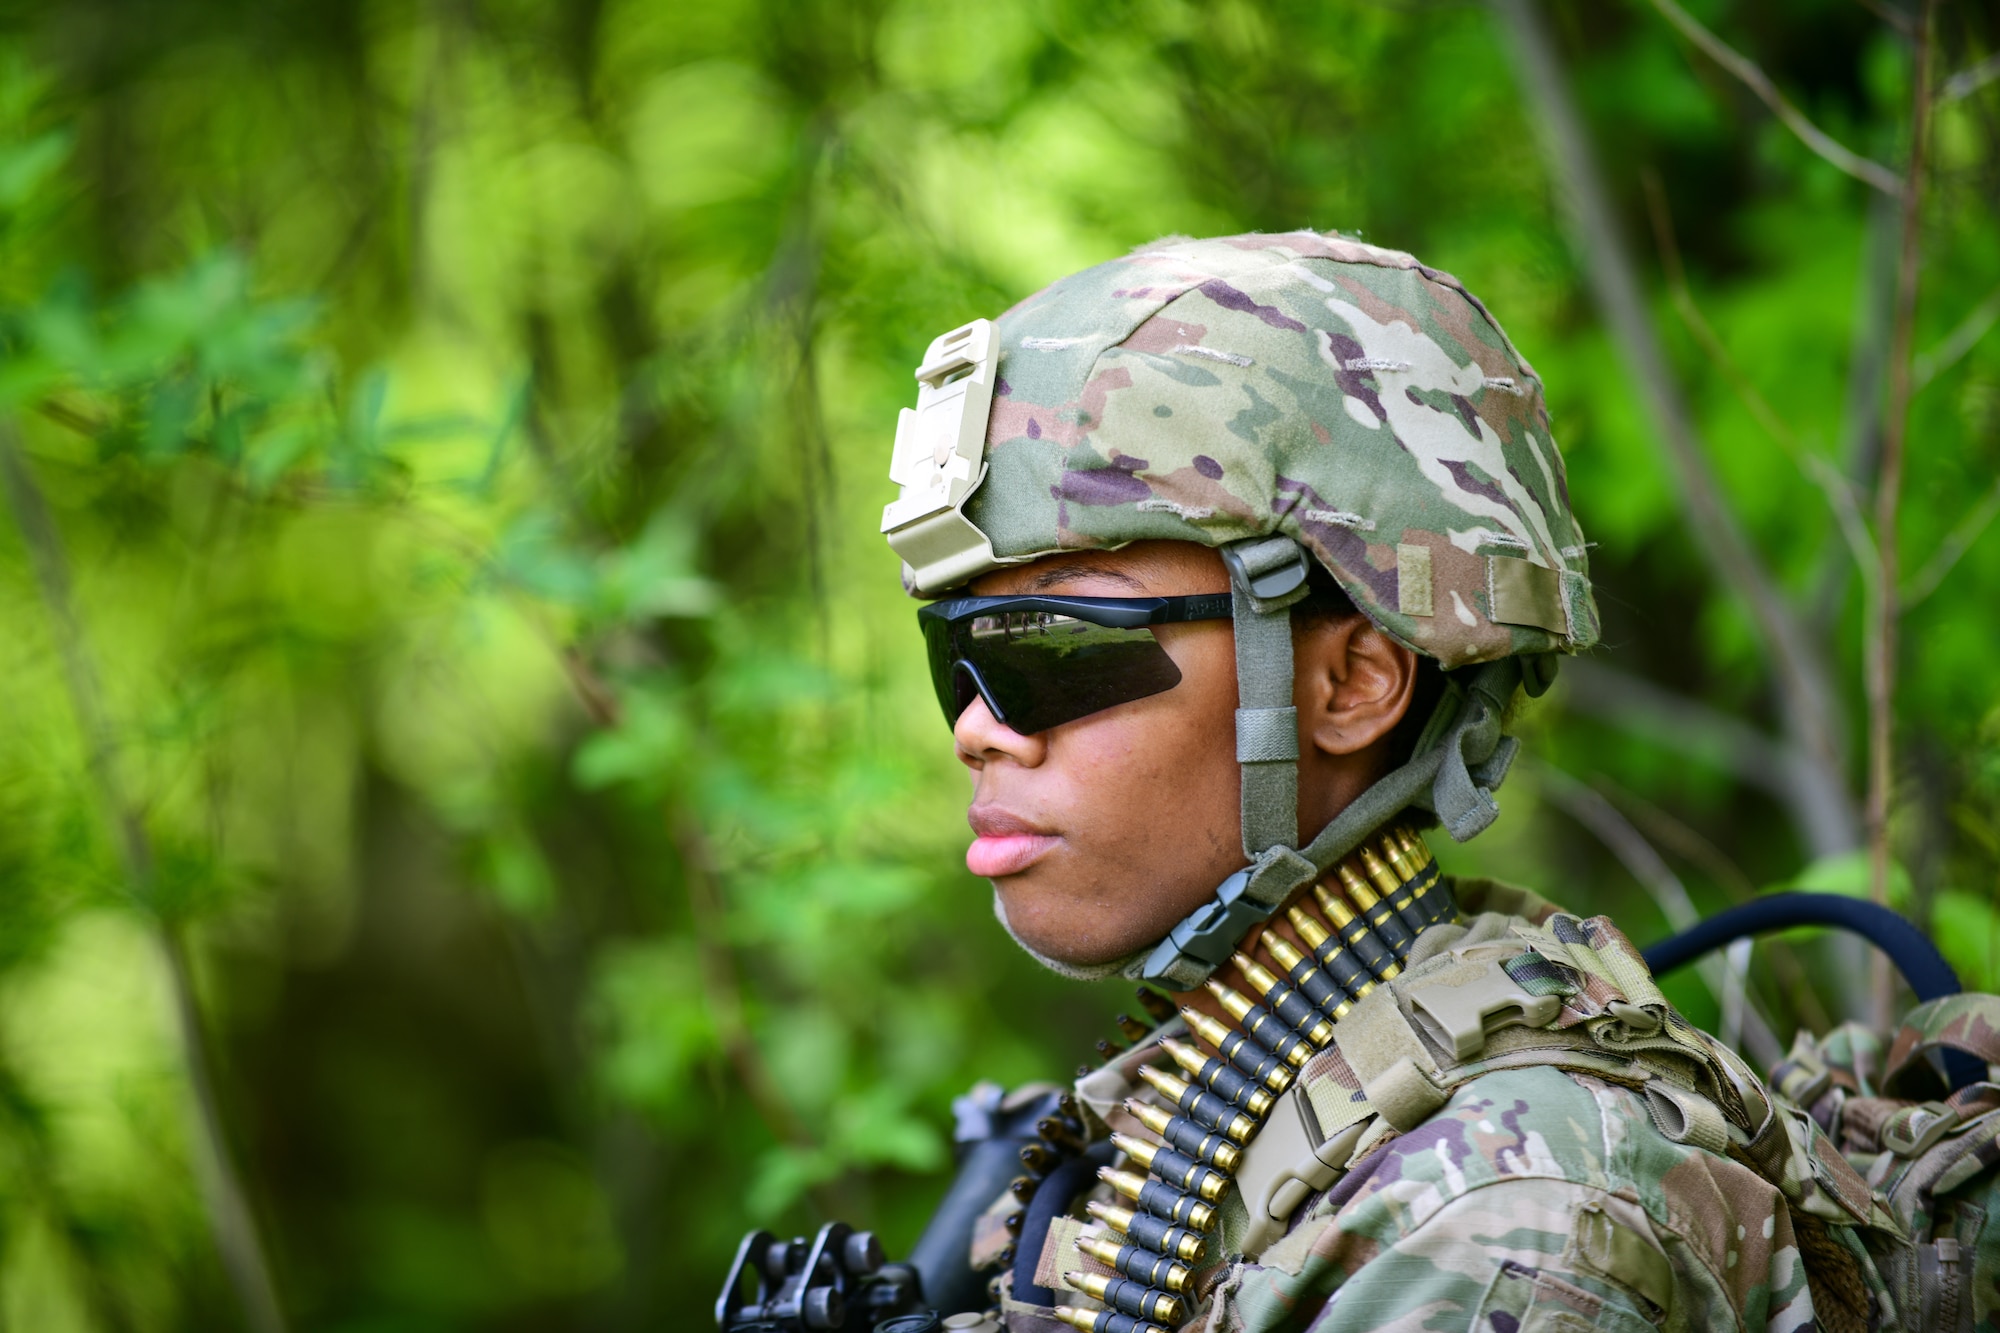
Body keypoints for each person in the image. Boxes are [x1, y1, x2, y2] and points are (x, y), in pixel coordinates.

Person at [878, 231, 1884, 1333]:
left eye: (1053, 645)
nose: (978, 727)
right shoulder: (1207, 1108)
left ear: (1351, 682)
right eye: (957, 655)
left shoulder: (1503, 1225)